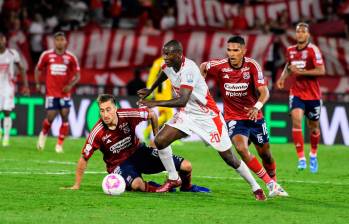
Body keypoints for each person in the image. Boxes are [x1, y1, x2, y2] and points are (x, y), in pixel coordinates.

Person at [138, 40, 270, 200]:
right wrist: (150, 89)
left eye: (168, 54)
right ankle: (173, 178)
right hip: (186, 114)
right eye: (163, 53)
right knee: (160, 141)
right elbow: (165, 74)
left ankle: (255, 187)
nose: (164, 57)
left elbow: (182, 100)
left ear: (179, 55)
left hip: (207, 116)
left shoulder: (190, 69)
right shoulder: (168, 66)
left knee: (229, 157)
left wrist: (153, 102)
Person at [64, 94, 210, 193]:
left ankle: (187, 187)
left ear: (115, 108)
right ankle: (159, 188)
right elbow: (84, 158)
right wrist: (76, 185)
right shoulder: (98, 132)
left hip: (139, 152)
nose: (105, 114)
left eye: (108, 109)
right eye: (102, 110)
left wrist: (157, 138)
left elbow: (151, 114)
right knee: (137, 184)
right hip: (118, 165)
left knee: (186, 166)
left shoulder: (127, 115)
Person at [200, 36, 288, 197]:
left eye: (236, 50)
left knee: (266, 155)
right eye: (229, 50)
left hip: (254, 116)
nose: (231, 54)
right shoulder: (220, 66)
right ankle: (270, 184)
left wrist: (257, 107)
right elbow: (204, 66)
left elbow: (264, 92)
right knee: (241, 148)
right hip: (234, 117)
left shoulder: (252, 66)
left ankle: (274, 182)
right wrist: (201, 84)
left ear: (243, 51)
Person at [276, 22, 325, 173]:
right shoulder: (290, 50)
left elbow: (321, 70)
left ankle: (313, 155)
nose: (300, 34)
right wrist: (283, 77)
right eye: (298, 32)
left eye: (303, 32)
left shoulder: (313, 50)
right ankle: (301, 158)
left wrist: (301, 72)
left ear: (308, 34)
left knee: (314, 127)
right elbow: (289, 66)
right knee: (297, 121)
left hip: (313, 95)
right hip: (296, 93)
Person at [35, 32, 80, 153]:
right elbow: (38, 69)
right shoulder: (46, 55)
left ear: (65, 42)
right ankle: (43, 134)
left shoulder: (71, 57)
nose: (60, 42)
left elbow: (77, 75)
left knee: (65, 116)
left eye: (62, 40)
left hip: (65, 93)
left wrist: (70, 85)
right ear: (54, 42)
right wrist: (38, 84)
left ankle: (59, 145)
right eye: (58, 40)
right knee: (50, 117)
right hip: (51, 93)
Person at [0, 32, 30, 147]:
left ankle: (6, 137)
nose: (0, 41)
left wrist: (26, 85)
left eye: (2, 39)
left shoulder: (12, 54)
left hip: (8, 87)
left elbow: (22, 69)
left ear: (5, 40)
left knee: (7, 111)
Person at [143, 57, 175, 146]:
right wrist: (149, 90)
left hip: (167, 94)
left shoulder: (171, 63)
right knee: (170, 116)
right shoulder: (159, 62)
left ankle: (147, 131)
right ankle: (171, 139)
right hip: (162, 95)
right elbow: (152, 76)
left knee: (165, 117)